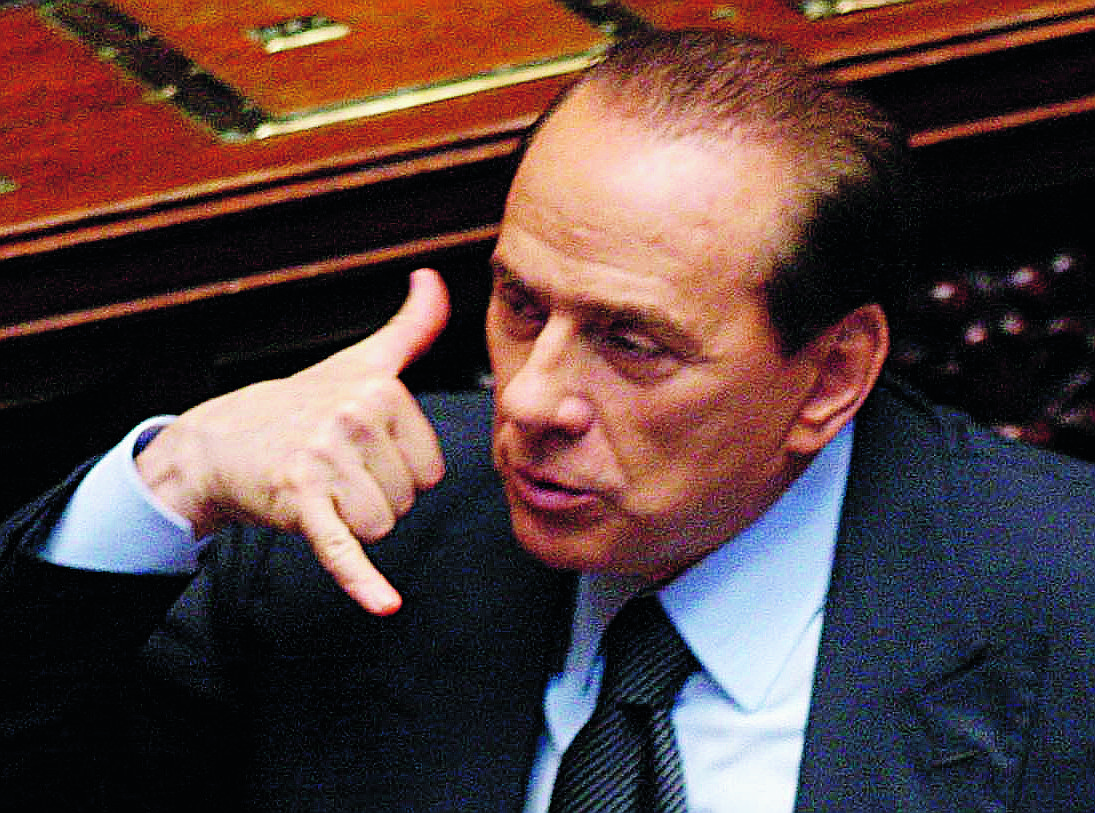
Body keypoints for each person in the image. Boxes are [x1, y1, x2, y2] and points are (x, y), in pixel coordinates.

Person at [3, 29, 1094, 812]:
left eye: (632, 342)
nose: (527, 399)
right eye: (522, 307)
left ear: (829, 378)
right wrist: (172, 479)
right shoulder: (342, 538)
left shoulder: (1064, 614)